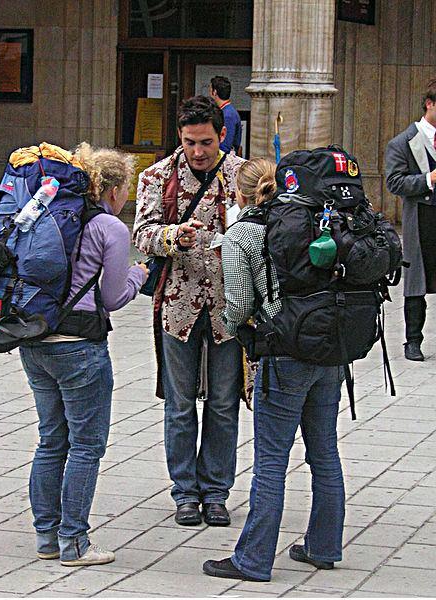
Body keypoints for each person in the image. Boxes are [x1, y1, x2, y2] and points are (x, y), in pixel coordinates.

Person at [203, 157, 346, 582]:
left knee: (270, 461)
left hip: (282, 356)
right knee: (324, 452)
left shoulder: (242, 235)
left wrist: (229, 327)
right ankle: (323, 546)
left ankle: (253, 559)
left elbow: (241, 306)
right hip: (327, 350)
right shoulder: (314, 224)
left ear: (239, 194)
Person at [19, 143, 148, 567]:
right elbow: (111, 298)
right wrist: (137, 274)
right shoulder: (110, 229)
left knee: (51, 439)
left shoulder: (49, 216)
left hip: (36, 340)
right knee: (86, 445)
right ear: (113, 190)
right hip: (80, 348)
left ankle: (45, 537)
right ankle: (74, 541)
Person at [133, 95, 245, 527]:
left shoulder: (241, 175)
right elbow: (141, 233)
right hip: (176, 305)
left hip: (230, 307)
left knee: (222, 402)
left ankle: (216, 492)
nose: (198, 152)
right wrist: (171, 236)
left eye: (205, 142)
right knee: (179, 404)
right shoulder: (157, 176)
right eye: (189, 142)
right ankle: (184, 493)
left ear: (222, 135)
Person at [386, 78, 436, 361]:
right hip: (422, 218)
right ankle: (412, 340)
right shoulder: (403, 142)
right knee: (416, 282)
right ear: (429, 104)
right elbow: (394, 182)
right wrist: (428, 179)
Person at [209, 76, 242, 155]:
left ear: (215, 92)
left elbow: (224, 145)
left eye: (210, 90)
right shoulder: (225, 111)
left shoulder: (228, 115)